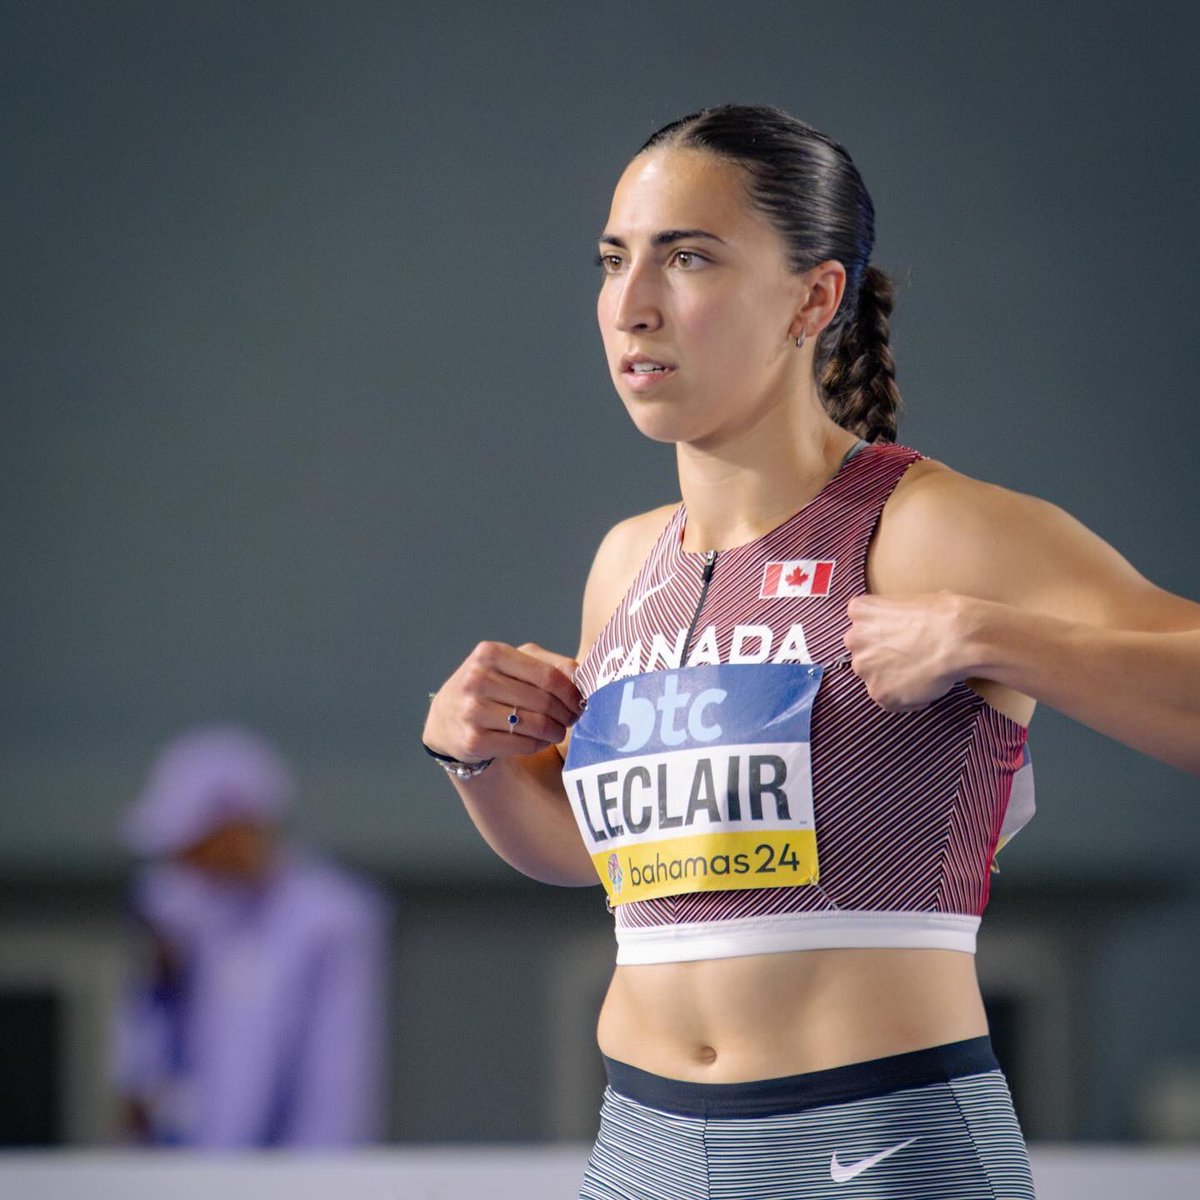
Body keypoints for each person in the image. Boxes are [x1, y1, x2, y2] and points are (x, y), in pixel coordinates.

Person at [421, 104, 1200, 1199]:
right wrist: (479, 761)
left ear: (814, 297)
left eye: (688, 258)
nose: (632, 306)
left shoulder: (928, 530)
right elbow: (619, 869)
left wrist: (999, 636)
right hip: (640, 1147)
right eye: (613, 260)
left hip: (873, 1144)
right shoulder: (625, 562)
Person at [112, 724, 390, 1148]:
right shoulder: (170, 905)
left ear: (241, 829)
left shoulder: (331, 918)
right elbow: (145, 1045)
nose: (184, 862)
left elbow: (336, 1079)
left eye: (196, 843)